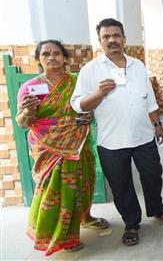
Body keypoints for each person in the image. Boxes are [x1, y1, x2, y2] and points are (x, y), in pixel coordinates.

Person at [71, 18, 163, 247]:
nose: (112, 40)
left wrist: (157, 125)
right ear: (100, 41)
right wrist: (99, 93)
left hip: (143, 136)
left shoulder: (137, 66)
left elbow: (149, 99)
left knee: (153, 177)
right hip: (112, 141)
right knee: (121, 186)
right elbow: (78, 105)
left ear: (124, 39)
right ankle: (131, 223)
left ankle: (157, 209)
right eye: (106, 37)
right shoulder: (90, 70)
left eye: (116, 35)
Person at [16, 40, 109, 255]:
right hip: (48, 150)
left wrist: (88, 116)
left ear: (64, 57)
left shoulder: (76, 82)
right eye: (46, 54)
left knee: (83, 183)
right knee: (55, 191)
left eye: (56, 53)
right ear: (38, 59)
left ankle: (85, 218)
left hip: (77, 144)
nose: (52, 58)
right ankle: (61, 237)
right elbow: (22, 122)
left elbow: (86, 107)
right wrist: (29, 112)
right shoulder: (29, 88)